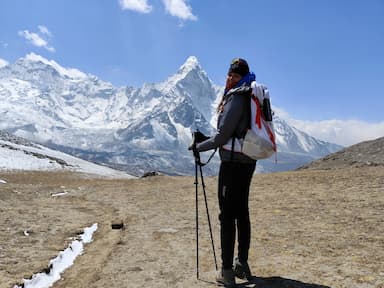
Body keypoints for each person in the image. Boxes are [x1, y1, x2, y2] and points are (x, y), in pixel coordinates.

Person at [190, 58, 257, 287]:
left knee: (227, 217)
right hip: (248, 161)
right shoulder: (250, 95)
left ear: (242, 77)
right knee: (242, 212)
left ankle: (227, 272)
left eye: (234, 76)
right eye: (229, 74)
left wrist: (198, 146)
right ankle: (242, 263)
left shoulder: (237, 97)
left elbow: (222, 137)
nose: (230, 79)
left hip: (232, 165)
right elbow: (230, 131)